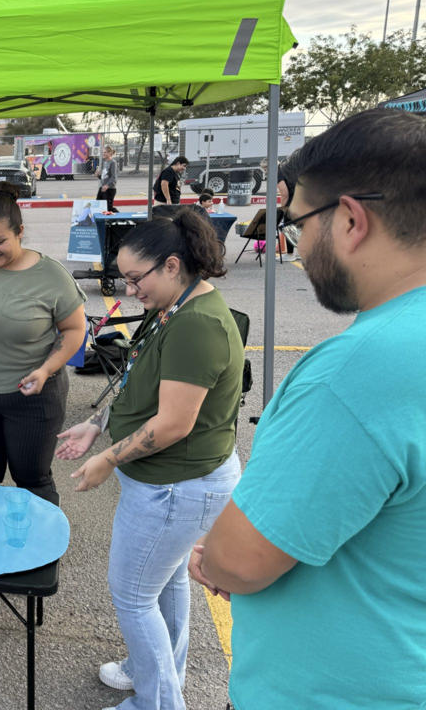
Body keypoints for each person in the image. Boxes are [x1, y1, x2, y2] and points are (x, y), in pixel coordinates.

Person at [190, 108, 426, 710]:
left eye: (295, 223)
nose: (296, 244)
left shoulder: (358, 370)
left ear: (350, 219)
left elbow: (240, 561)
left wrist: (217, 556)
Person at [55, 209, 244, 710]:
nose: (130, 288)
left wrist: (108, 459)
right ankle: (156, 674)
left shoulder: (197, 325)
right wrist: (97, 424)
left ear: (172, 265)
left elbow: (174, 423)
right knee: (165, 582)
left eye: (137, 278)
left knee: (133, 596)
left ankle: (157, 701)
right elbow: (141, 382)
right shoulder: (176, 307)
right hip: (176, 484)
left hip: (175, 488)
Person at [0, 183, 87, 500]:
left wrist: (46, 369)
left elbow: (75, 329)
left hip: (32, 398)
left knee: (32, 482)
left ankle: (41, 536)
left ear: (20, 232)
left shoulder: (52, 276)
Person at [98, 145, 119, 212]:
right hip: (102, 188)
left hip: (109, 189)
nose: (103, 154)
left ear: (110, 153)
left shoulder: (113, 162)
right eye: (103, 152)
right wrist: (98, 175)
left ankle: (121, 217)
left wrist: (107, 185)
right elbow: (104, 177)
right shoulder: (105, 162)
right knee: (98, 204)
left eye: (105, 152)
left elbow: (114, 176)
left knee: (109, 208)